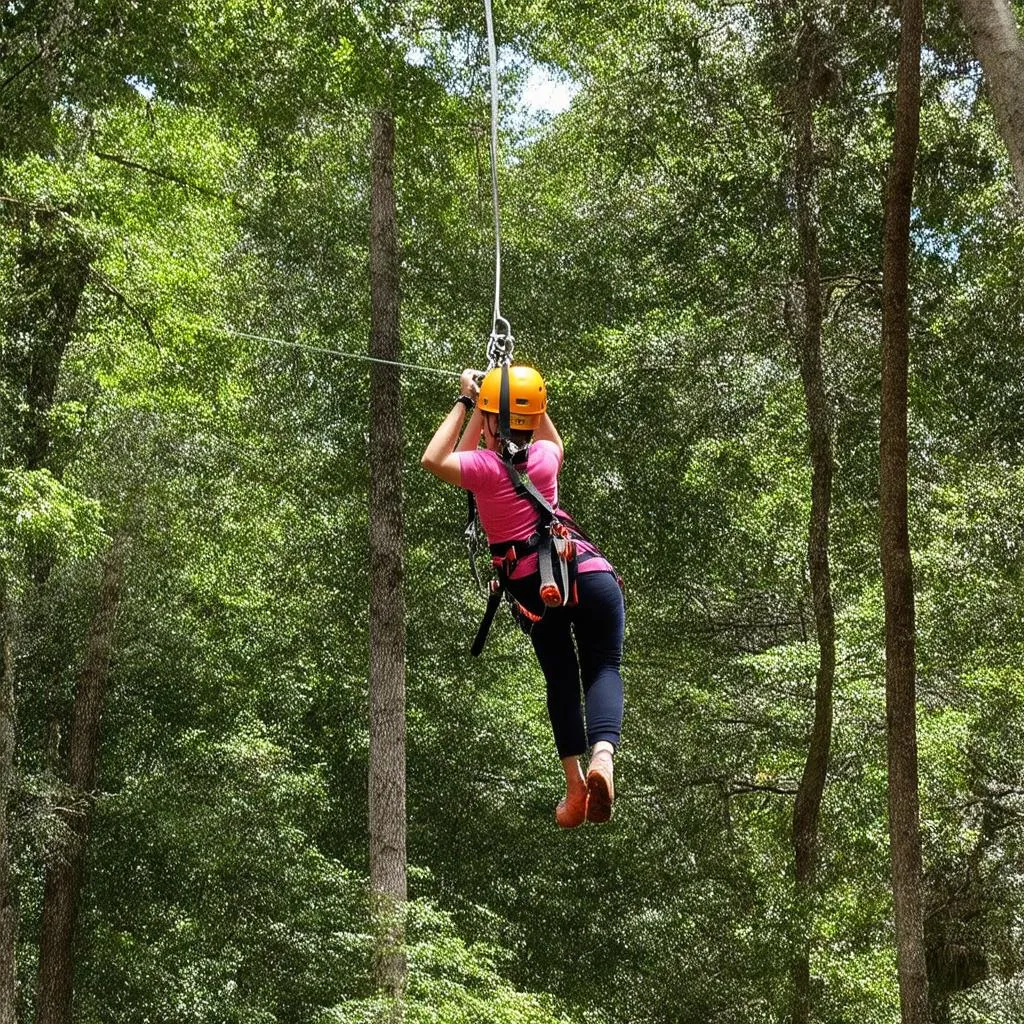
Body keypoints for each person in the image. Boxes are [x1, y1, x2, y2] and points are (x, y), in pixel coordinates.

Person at [421, 365, 625, 827]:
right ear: (532, 418)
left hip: (540, 588)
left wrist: (468, 401)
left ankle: (576, 788)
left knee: (561, 680)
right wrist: (515, 400)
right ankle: (603, 759)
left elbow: (435, 458)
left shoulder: (486, 469)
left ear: (493, 420)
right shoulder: (546, 459)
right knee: (604, 667)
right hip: (592, 574)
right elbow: (552, 438)